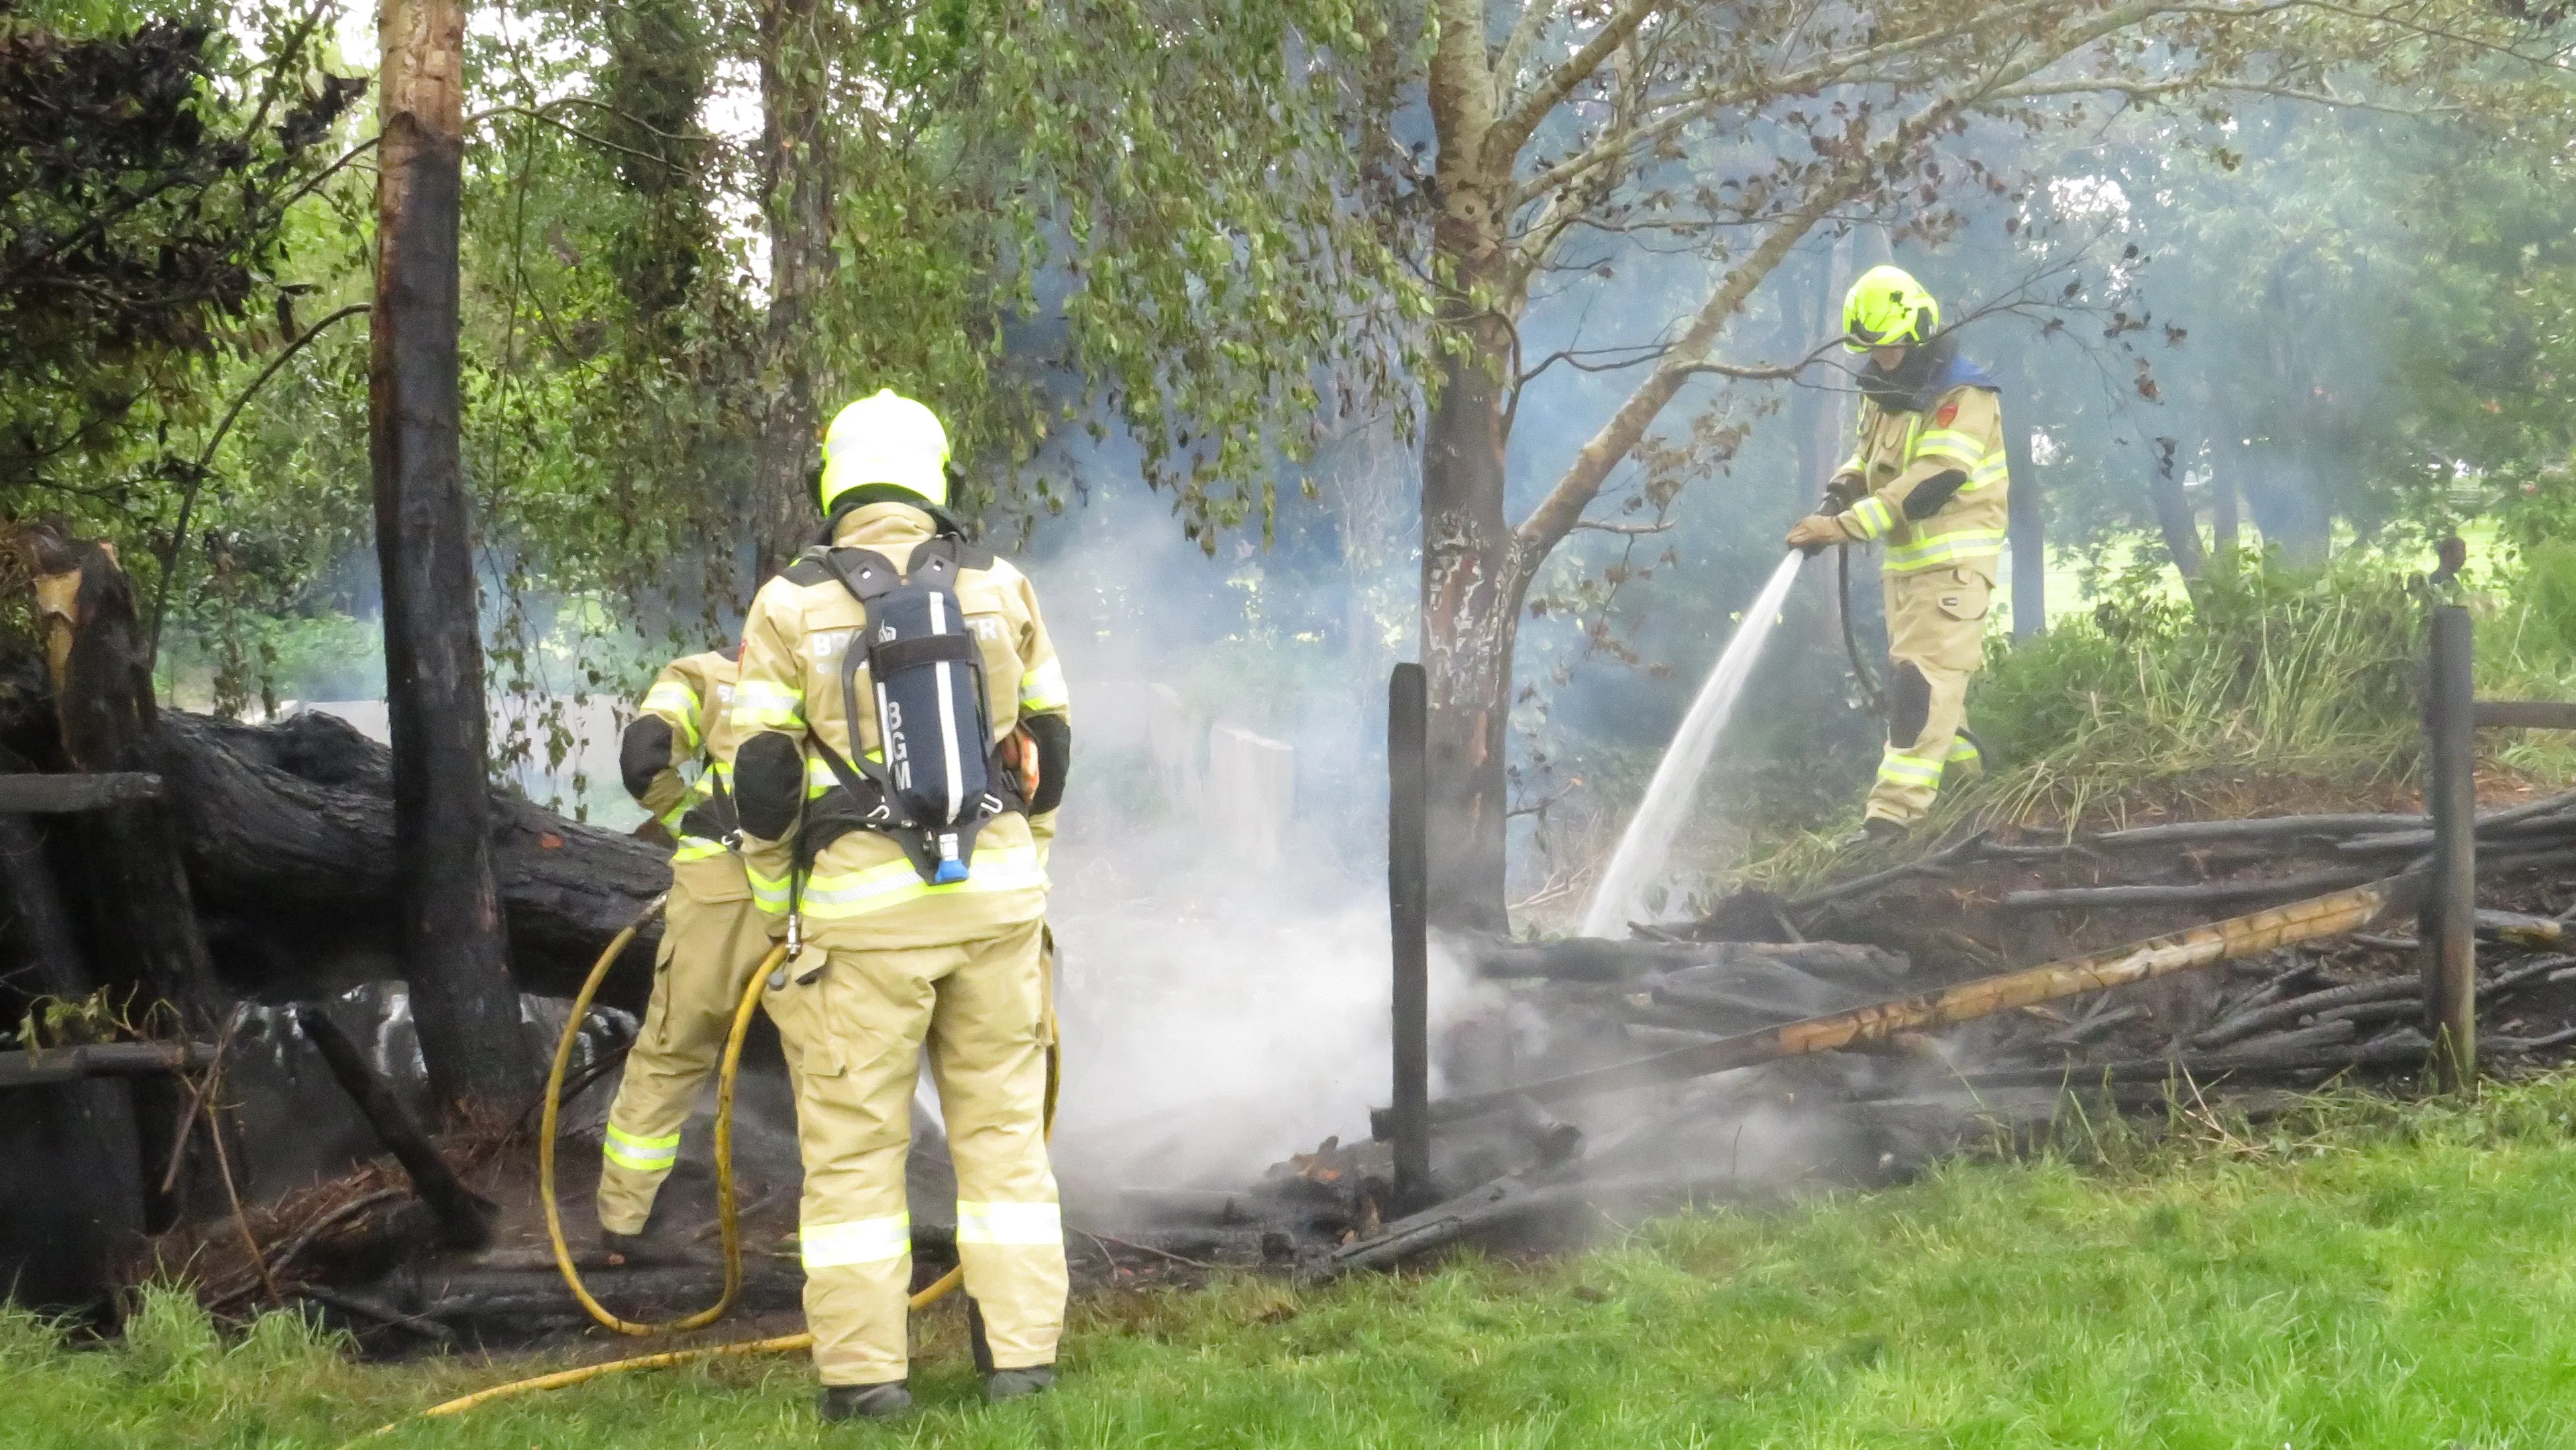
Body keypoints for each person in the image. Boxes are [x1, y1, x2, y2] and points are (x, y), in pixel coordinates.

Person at [720, 388, 1072, 1421]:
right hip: (996, 910)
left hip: (859, 931)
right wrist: (1026, 861)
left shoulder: (790, 604)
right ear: (935, 475)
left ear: (834, 479)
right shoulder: (1000, 587)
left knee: (856, 1159)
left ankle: (869, 1383)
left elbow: (764, 779)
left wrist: (779, 904)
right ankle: (1023, 1367)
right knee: (1004, 1137)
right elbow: (1050, 745)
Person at [1786, 264, 2010, 841]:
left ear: (1918, 328)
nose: (1880, 360)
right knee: (1938, 698)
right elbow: (1869, 458)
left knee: (1919, 689)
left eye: (1888, 348)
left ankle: (1892, 821)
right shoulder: (1888, 392)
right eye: (1872, 350)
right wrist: (1840, 491)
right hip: (1908, 570)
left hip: (1953, 571)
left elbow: (1935, 478)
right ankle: (1971, 804)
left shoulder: (1962, 393)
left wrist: (1844, 527)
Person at [594, 642, 774, 1246]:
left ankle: (624, 1226)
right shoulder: (850, 665)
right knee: (836, 1069)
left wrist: (691, 820)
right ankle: (845, 1242)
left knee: (670, 1058)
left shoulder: (707, 674)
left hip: (718, 895)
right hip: (822, 895)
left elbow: (641, 758)